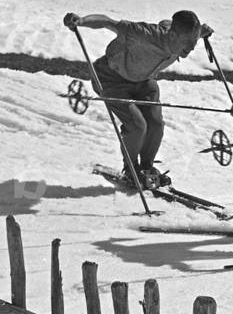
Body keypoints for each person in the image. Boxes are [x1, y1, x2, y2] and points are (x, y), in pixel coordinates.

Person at [62, 10, 213, 187]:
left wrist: (203, 32)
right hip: (111, 78)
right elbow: (107, 22)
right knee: (137, 125)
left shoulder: (185, 36)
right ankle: (131, 169)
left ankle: (147, 167)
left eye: (194, 41)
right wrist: (80, 21)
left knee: (156, 124)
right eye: (186, 42)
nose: (191, 47)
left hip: (143, 81)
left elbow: (196, 32)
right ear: (172, 34)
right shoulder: (144, 34)